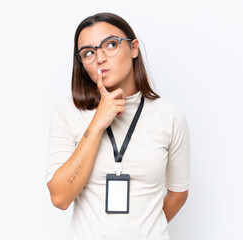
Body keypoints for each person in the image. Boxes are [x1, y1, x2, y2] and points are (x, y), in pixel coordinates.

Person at [45, 12, 190, 240]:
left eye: (111, 45)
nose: (100, 58)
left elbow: (178, 193)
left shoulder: (168, 115)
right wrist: (96, 125)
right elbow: (60, 197)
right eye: (89, 53)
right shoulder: (68, 113)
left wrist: (146, 229)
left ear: (134, 48)